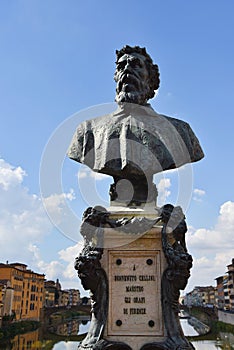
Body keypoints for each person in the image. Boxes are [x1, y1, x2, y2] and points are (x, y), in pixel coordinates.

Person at [68, 45, 204, 206]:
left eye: (135, 65)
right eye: (120, 66)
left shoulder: (180, 131)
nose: (126, 70)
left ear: (151, 79)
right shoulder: (88, 131)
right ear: (116, 77)